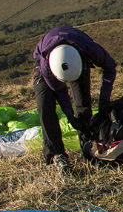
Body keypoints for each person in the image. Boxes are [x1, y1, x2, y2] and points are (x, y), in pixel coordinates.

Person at [32, 25, 117, 173]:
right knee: (45, 106)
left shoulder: (90, 50)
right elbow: (60, 92)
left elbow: (110, 68)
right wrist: (69, 116)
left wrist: (104, 101)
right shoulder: (46, 65)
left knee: (83, 104)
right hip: (46, 62)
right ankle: (57, 155)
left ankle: (87, 146)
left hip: (77, 54)